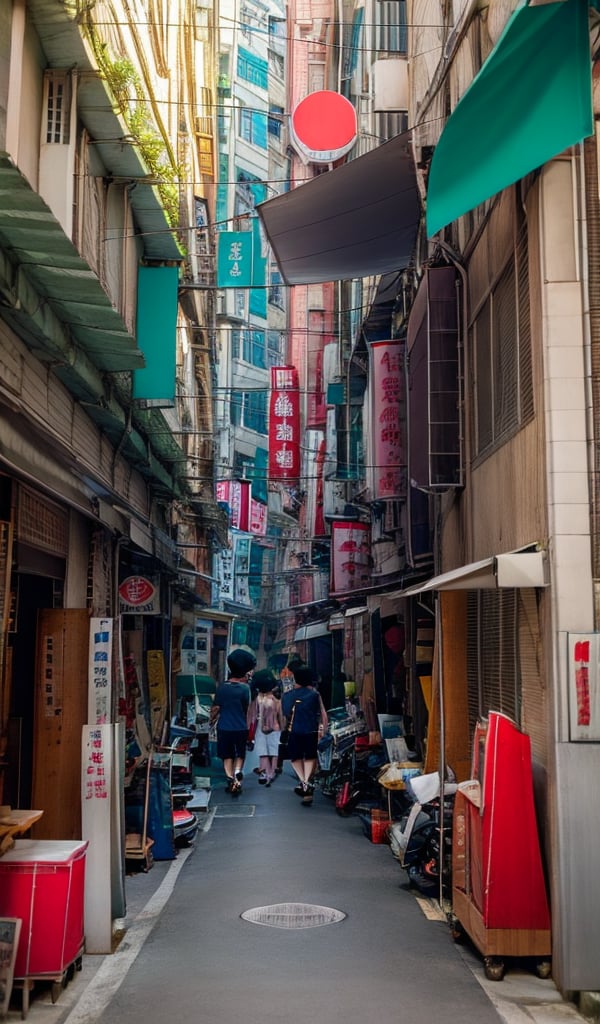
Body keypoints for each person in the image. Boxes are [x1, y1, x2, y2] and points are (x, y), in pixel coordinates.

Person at [281, 663, 329, 806]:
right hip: (311, 731)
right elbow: (323, 714)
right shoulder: (315, 694)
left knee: (296, 758)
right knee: (310, 758)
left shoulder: (287, 695)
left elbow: (285, 714)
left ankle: (304, 782)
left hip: (294, 731)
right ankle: (307, 783)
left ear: (295, 679)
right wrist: (323, 730)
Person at [210, 647, 256, 795]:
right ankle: (237, 776)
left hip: (224, 727)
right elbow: (247, 710)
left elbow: (216, 709)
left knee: (227, 755)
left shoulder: (222, 688)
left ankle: (230, 779)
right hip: (241, 727)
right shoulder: (245, 689)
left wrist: (210, 721)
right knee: (239, 754)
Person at [247, 669, 284, 787]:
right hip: (275, 728)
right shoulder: (276, 700)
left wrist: (248, 728)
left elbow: (251, 715)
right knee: (274, 751)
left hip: (260, 728)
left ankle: (264, 772)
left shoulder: (256, 699)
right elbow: (281, 716)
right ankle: (272, 772)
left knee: (262, 751)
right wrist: (284, 728)